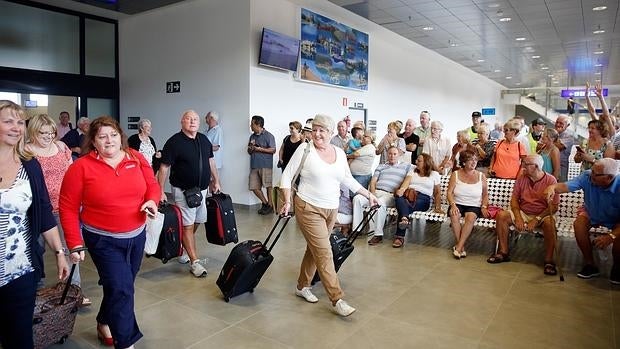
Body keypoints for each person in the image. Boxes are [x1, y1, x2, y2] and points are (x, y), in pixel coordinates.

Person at [59, 116, 158, 349]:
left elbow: (152, 184)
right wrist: (74, 243)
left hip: (136, 236)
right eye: (102, 136)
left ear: (120, 136)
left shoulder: (136, 157)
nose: (109, 140)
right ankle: (125, 343)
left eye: (113, 135)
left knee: (120, 286)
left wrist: (152, 201)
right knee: (122, 288)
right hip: (103, 240)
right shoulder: (81, 167)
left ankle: (104, 321)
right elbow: (68, 206)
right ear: (93, 141)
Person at [279, 114, 378, 317]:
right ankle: (337, 298)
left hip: (331, 209)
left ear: (331, 133)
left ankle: (302, 286)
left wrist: (368, 194)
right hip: (308, 207)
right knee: (324, 252)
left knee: (314, 249)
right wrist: (287, 201)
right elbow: (287, 176)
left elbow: (347, 180)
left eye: (322, 130)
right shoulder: (305, 149)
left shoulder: (340, 153)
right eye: (314, 129)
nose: (317, 134)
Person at [0, 101, 69, 349]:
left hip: (20, 269)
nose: (16, 127)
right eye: (8, 121)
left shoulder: (30, 165)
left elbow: (43, 212)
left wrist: (60, 253)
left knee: (19, 339)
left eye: (20, 122)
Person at [25, 114, 91, 305]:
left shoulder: (61, 148)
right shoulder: (25, 152)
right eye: (43, 132)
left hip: (64, 207)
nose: (48, 136)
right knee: (35, 252)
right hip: (36, 210)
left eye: (51, 132)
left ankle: (74, 292)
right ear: (33, 132)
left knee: (71, 249)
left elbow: (73, 174)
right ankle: (36, 293)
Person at [158, 110, 221, 277]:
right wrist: (159, 190)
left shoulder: (204, 140)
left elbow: (210, 161)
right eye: (188, 119)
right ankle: (194, 261)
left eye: (195, 119)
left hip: (201, 189)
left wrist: (216, 181)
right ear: (182, 121)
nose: (192, 122)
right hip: (183, 191)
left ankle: (183, 246)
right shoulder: (174, 142)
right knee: (187, 225)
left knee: (198, 220)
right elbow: (164, 167)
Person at [543, 158, 620, 283]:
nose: (591, 175)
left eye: (596, 174)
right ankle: (590, 264)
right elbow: (566, 186)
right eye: (592, 171)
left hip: (616, 219)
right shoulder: (587, 176)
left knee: (618, 239)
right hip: (592, 212)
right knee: (579, 224)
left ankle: (617, 267)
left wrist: (611, 236)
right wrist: (553, 187)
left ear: (609, 177)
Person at [488, 155, 560, 275]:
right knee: (502, 216)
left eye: (526, 164)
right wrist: (518, 217)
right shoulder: (522, 179)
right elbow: (514, 200)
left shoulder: (551, 180)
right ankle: (503, 252)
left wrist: (536, 219)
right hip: (524, 211)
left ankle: (549, 260)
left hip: (543, 214)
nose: (522, 166)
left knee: (550, 223)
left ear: (536, 166)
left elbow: (554, 206)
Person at [352, 146, 411, 246]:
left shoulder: (406, 166)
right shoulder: (381, 166)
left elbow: (415, 173)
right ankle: (357, 229)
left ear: (399, 155)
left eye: (394, 154)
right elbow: (373, 181)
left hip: (390, 195)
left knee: (380, 203)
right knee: (357, 198)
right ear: (387, 155)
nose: (392, 156)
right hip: (376, 192)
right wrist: (373, 193)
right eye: (390, 154)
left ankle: (378, 235)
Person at [393, 153, 443, 247]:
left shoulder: (434, 174)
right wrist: (402, 190)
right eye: (416, 160)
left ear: (426, 163)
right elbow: (406, 183)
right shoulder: (413, 171)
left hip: (423, 199)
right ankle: (405, 218)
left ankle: (400, 236)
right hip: (409, 195)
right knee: (399, 197)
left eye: (419, 161)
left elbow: (437, 193)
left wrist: (438, 207)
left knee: (403, 205)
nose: (416, 162)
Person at [446, 150, 489, 258]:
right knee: (454, 214)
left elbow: (485, 195)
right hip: (458, 203)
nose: (474, 162)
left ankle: (459, 246)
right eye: (470, 160)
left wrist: (484, 206)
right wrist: (453, 205)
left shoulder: (481, 176)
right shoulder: (455, 174)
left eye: (475, 159)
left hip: (474, 205)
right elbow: (449, 192)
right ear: (464, 162)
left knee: (470, 218)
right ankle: (461, 246)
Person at [248, 115, 276, 214]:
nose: (250, 126)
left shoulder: (269, 136)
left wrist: (260, 149)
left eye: (252, 124)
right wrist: (251, 148)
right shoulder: (252, 136)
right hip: (254, 165)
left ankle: (271, 206)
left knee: (268, 186)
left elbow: (273, 149)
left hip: (266, 165)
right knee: (254, 187)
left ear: (258, 124)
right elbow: (249, 151)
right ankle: (265, 203)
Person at [554, 114, 575, 181]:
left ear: (567, 125)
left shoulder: (569, 137)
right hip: (549, 166)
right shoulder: (551, 133)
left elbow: (558, 146)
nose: (558, 124)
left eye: (561, 123)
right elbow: (539, 146)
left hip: (561, 168)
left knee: (559, 188)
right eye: (557, 122)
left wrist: (550, 139)